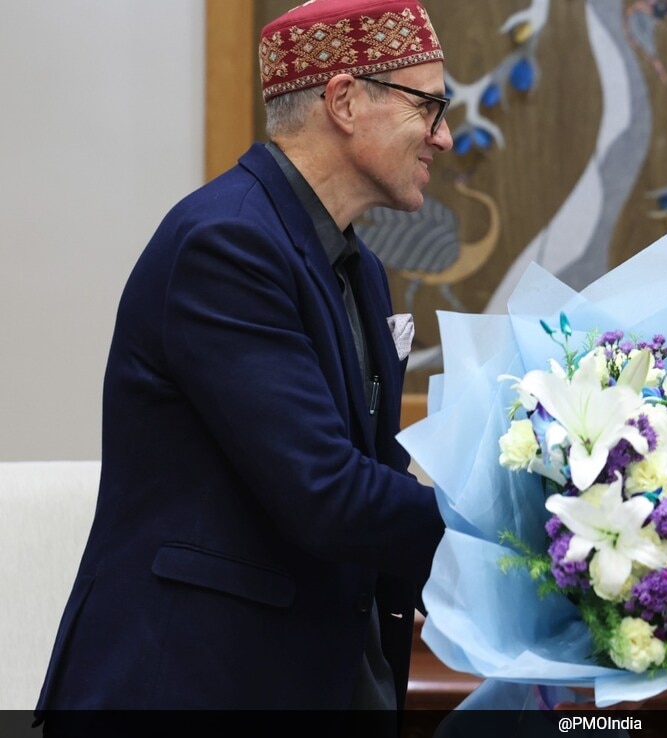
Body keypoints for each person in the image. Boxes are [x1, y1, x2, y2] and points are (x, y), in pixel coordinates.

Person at [35, 0, 451, 728]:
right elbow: (326, 491)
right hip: (192, 685)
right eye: (429, 105)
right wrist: (523, 532)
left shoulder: (362, 268)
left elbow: (375, 476)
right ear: (345, 101)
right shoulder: (226, 245)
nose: (444, 137)